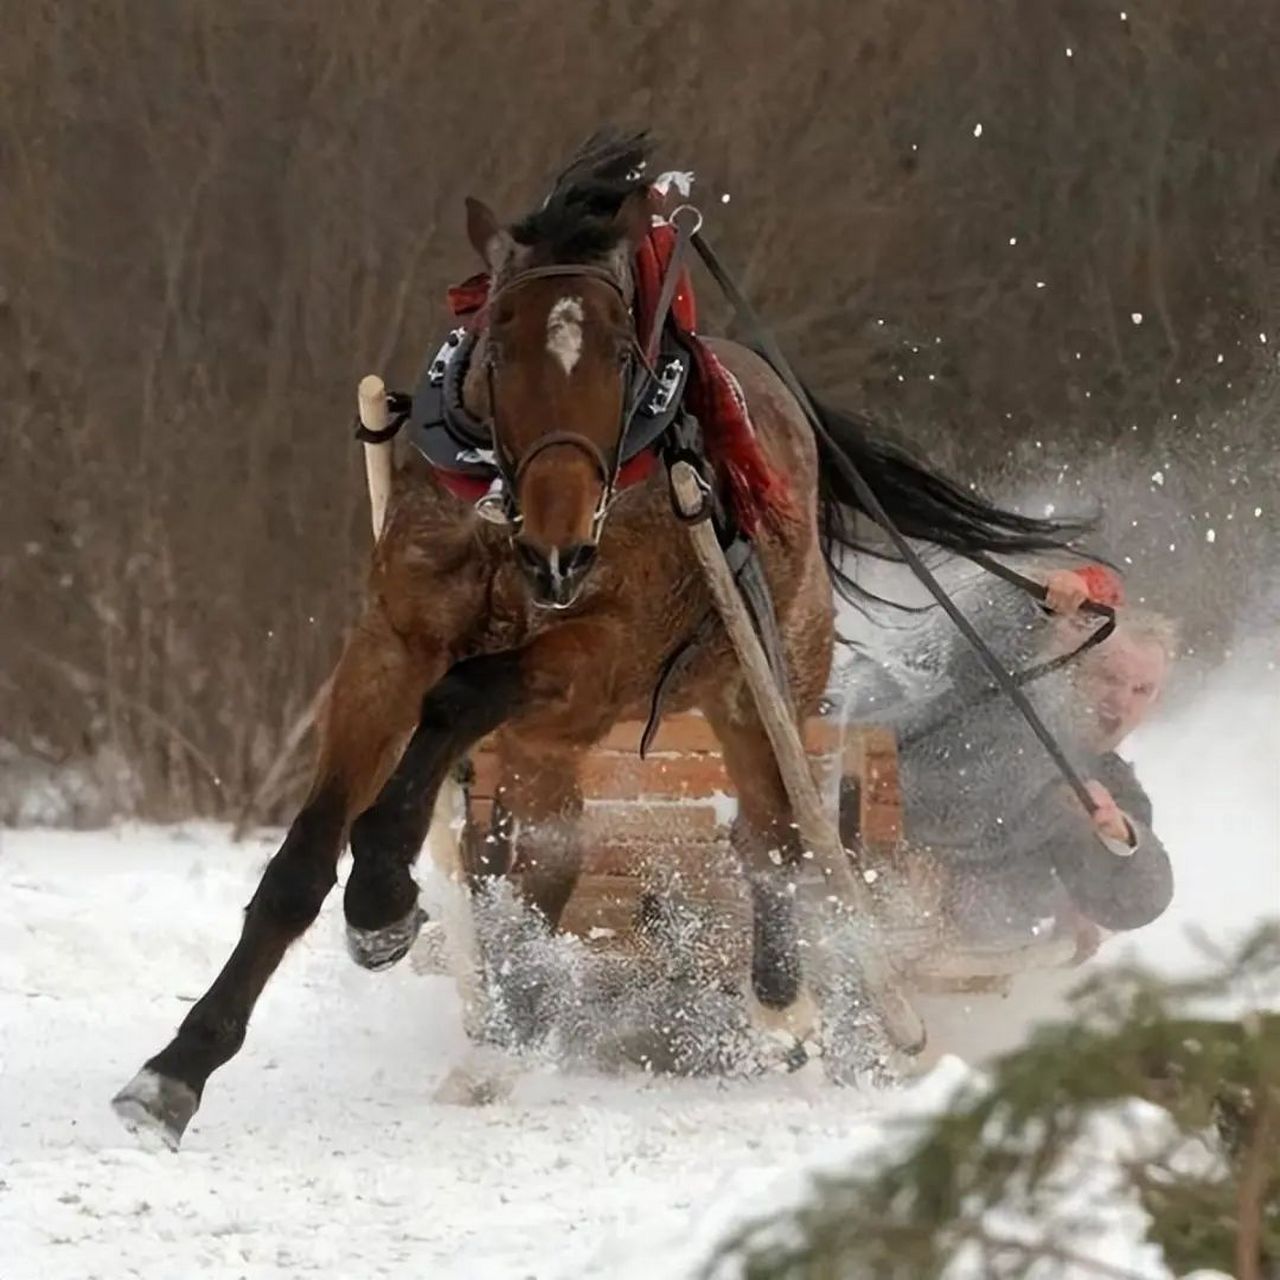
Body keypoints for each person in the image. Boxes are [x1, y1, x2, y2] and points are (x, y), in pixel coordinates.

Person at [838, 563, 1177, 955]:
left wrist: (1118, 842)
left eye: (1141, 690)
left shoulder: (1109, 788)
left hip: (960, 937)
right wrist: (1035, 606)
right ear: (1072, 669)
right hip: (858, 839)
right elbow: (977, 646)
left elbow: (1137, 898)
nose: (1120, 701)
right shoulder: (1001, 699)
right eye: (1109, 678)